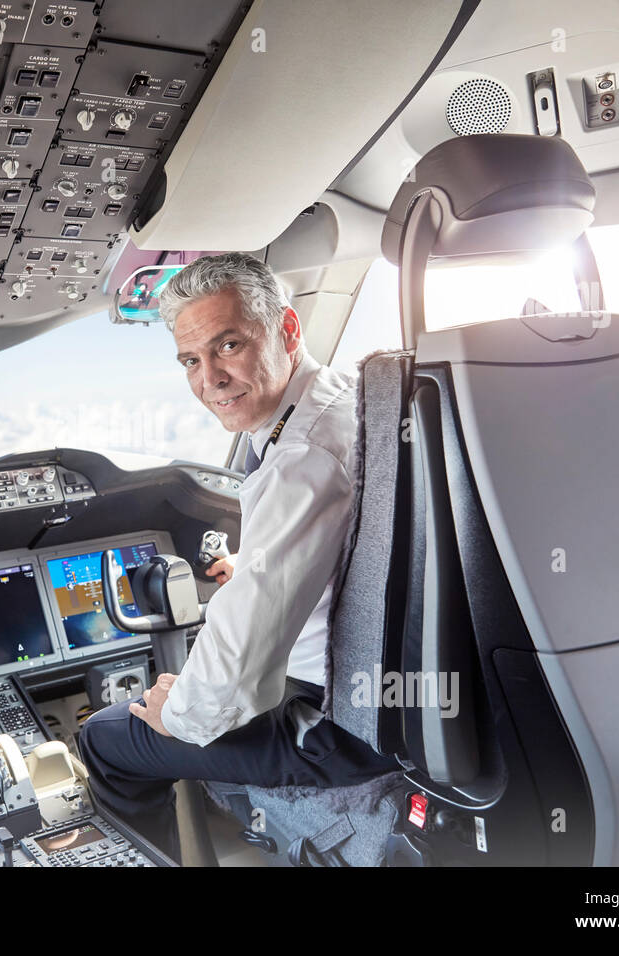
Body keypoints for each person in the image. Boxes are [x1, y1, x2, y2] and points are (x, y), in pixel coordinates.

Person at [78, 252, 398, 863]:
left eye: (228, 345)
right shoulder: (338, 401)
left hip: (336, 724)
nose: (210, 379)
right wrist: (253, 566)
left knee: (107, 736)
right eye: (191, 361)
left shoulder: (303, 456)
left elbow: (240, 657)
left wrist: (178, 712)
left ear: (289, 329)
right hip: (381, 686)